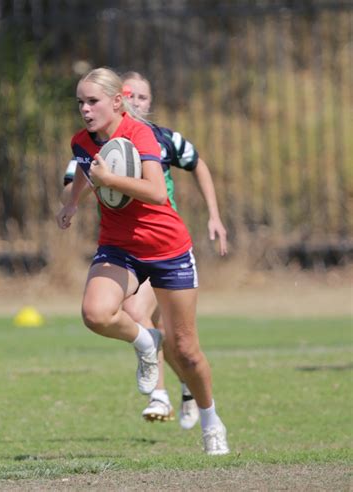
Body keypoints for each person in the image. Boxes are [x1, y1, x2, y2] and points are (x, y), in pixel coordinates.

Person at [56, 67, 229, 455]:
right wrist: (71, 203)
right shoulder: (82, 141)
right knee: (96, 314)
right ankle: (145, 341)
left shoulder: (140, 134)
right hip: (118, 247)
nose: (85, 109)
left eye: (93, 101)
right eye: (80, 102)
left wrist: (109, 181)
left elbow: (154, 192)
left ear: (117, 102)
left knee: (185, 349)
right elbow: (86, 169)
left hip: (168, 249)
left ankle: (210, 418)